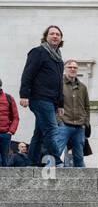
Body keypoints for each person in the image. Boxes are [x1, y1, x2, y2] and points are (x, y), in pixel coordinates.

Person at [19, 25, 65, 166]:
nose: (55, 36)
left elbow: (59, 83)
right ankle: (57, 160)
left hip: (51, 100)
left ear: (61, 38)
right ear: (46, 37)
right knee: (51, 129)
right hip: (39, 98)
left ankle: (31, 162)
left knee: (39, 133)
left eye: (58, 34)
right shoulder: (38, 52)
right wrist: (24, 94)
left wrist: (60, 104)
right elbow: (28, 74)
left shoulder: (58, 59)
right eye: (52, 33)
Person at [53, 59, 89, 167]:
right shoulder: (59, 84)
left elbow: (87, 106)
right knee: (56, 152)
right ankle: (50, 177)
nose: (72, 69)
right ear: (65, 69)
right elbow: (53, 104)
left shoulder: (82, 87)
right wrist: (59, 121)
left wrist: (85, 122)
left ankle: (82, 181)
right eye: (70, 67)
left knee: (79, 156)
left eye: (75, 67)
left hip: (79, 126)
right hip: (64, 124)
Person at [0, 76, 19, 167]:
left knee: (5, 160)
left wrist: (10, 131)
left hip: (5, 134)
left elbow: (15, 117)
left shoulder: (8, 98)